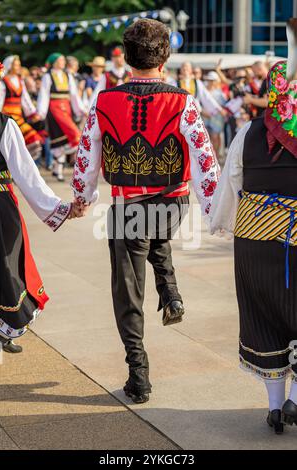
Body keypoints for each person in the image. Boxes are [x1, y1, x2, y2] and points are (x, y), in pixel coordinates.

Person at [72, 18, 219, 404]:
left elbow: (87, 153)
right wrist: (214, 209)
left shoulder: (104, 100)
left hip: (127, 205)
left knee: (127, 290)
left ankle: (139, 374)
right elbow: (205, 157)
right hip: (173, 202)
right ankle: (170, 292)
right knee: (158, 232)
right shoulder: (183, 100)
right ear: (164, 56)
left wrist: (81, 198)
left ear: (125, 56)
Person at [210, 18, 297, 434]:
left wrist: (223, 223)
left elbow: (232, 183)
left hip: (255, 240)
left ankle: (277, 409)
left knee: (265, 318)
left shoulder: (248, 130)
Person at [0, 58, 83, 355]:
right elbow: (28, 177)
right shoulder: (4, 126)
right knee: (6, 266)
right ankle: (4, 327)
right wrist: (61, 208)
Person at [37, 53, 86, 181]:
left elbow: (74, 94)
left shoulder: (67, 75)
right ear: (54, 62)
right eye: (60, 60)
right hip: (54, 110)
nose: (63, 62)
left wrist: (81, 110)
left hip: (66, 108)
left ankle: (57, 170)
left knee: (65, 139)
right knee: (65, 137)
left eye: (63, 60)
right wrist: (41, 112)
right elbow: (44, 94)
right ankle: (58, 170)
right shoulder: (47, 76)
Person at [0, 55, 44, 163]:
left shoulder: (20, 80)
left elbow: (25, 99)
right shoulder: (4, 81)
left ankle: (21, 164)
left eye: (18, 65)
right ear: (9, 66)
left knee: (34, 140)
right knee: (11, 144)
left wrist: (32, 112)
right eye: (15, 65)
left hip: (19, 117)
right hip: (7, 117)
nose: (18, 67)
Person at [203, 71, 227, 160]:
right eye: (209, 80)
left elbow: (223, 106)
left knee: (215, 137)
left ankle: (215, 156)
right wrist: (203, 112)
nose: (211, 82)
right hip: (204, 117)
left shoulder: (220, 93)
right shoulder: (203, 91)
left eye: (213, 80)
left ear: (216, 81)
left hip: (216, 119)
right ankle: (208, 157)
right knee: (206, 138)